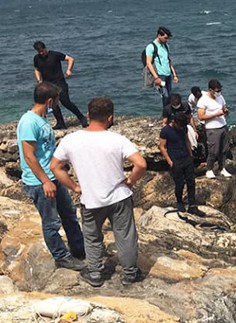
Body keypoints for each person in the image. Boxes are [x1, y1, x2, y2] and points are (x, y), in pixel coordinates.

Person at [50, 97, 147, 287]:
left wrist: (74, 187)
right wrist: (131, 180)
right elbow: (141, 163)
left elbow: (55, 166)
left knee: (92, 237)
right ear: (110, 118)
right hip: (119, 195)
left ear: (88, 115)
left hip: (90, 197)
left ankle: (95, 273)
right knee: (125, 235)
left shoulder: (71, 140)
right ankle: (129, 273)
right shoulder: (117, 139)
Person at [17, 82, 85, 270]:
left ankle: (79, 248)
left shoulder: (42, 118)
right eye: (56, 100)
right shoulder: (29, 122)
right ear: (49, 100)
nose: (58, 104)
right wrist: (45, 181)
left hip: (54, 176)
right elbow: (29, 156)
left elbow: (44, 149)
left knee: (69, 213)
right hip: (40, 181)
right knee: (51, 222)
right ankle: (61, 256)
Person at [32, 41, 87, 129]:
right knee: (52, 104)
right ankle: (60, 123)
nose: (42, 53)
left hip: (59, 82)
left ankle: (81, 117)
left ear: (45, 48)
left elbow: (70, 59)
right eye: (39, 52)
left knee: (65, 101)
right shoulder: (36, 58)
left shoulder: (54, 54)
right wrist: (39, 80)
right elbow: (36, 69)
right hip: (48, 84)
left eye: (43, 50)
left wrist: (69, 70)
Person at [159, 112, 203, 216]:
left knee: (191, 181)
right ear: (173, 121)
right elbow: (162, 147)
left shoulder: (183, 128)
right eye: (179, 125)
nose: (180, 128)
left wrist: (190, 154)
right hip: (175, 159)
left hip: (186, 157)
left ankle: (192, 205)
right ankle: (179, 202)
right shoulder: (165, 131)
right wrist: (170, 162)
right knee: (179, 183)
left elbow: (186, 139)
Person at [197, 79, 231, 178]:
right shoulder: (203, 100)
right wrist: (215, 115)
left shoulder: (220, 97)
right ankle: (209, 169)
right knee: (213, 151)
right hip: (212, 128)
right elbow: (201, 116)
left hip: (223, 126)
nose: (218, 93)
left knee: (224, 149)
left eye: (220, 90)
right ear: (210, 90)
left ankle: (222, 168)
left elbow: (224, 108)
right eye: (216, 91)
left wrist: (226, 111)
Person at [145, 26, 178, 108]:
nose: (166, 40)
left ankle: (168, 114)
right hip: (160, 75)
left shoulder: (166, 46)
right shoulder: (151, 47)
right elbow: (148, 63)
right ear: (159, 35)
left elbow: (169, 60)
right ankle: (166, 115)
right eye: (165, 38)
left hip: (168, 75)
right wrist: (156, 78)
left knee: (169, 96)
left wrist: (174, 75)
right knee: (165, 96)